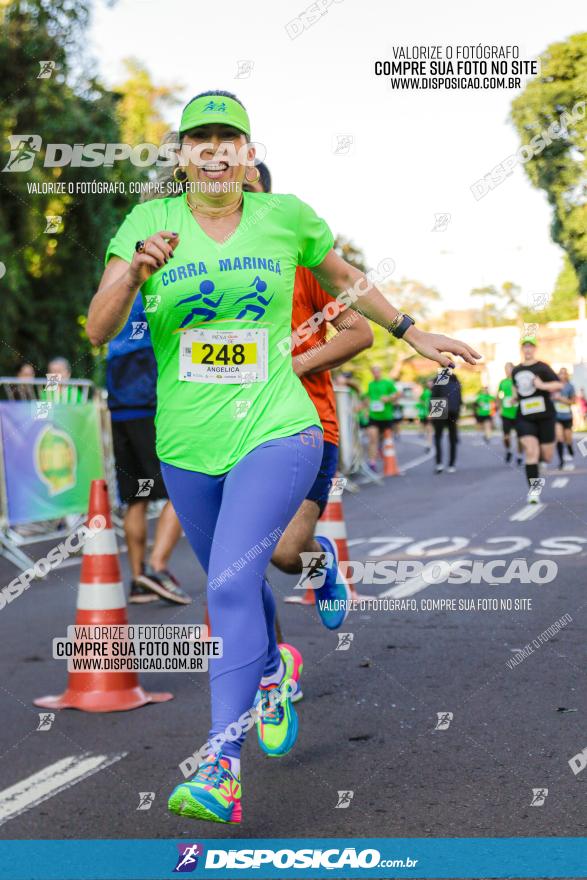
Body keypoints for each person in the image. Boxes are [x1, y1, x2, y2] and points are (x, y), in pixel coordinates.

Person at [87, 89, 479, 825]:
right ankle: (272, 668)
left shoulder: (284, 217)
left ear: (247, 153)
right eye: (198, 139)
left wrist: (411, 331)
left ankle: (220, 768)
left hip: (277, 427)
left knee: (227, 590)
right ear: (180, 157)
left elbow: (343, 279)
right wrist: (133, 273)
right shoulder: (149, 222)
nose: (213, 150)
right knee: (239, 584)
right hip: (186, 445)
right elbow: (98, 327)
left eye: (226, 138)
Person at [247, 163, 374, 631]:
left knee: (283, 554)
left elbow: (358, 332)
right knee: (238, 565)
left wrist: (291, 366)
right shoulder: (206, 272)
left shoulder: (304, 263)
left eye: (248, 190)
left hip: (306, 425)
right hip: (230, 429)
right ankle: (269, 673)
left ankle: (320, 563)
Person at [106, 296, 189, 605]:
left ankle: (139, 580)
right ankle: (156, 569)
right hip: (150, 404)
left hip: (119, 405)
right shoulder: (157, 286)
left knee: (136, 498)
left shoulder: (117, 291)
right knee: (181, 489)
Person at [511, 337, 562, 504]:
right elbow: (515, 389)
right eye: (525, 347)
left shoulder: (542, 367)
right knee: (531, 452)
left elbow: (559, 385)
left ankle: (541, 460)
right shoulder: (516, 370)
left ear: (534, 349)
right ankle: (534, 492)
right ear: (521, 349)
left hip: (545, 416)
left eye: (530, 347)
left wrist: (542, 386)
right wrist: (513, 398)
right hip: (525, 416)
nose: (527, 350)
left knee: (547, 456)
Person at [366, 365, 400, 469]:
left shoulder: (387, 383)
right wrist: (366, 409)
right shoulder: (370, 384)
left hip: (386, 417)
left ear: (380, 372)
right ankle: (372, 463)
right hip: (374, 416)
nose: (376, 373)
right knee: (372, 439)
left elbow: (398, 394)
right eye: (374, 372)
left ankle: (390, 463)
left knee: (385, 440)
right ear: (372, 373)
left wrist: (389, 397)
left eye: (377, 371)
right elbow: (368, 398)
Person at [430, 369, 461, 473]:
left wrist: (431, 411)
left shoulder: (440, 377)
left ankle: (439, 464)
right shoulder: (455, 379)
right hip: (453, 409)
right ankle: (451, 464)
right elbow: (459, 398)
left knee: (438, 437)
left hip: (440, 406)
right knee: (452, 438)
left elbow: (434, 394)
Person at [498, 362, 523, 465]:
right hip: (506, 413)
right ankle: (508, 450)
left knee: (520, 437)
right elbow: (499, 395)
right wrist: (499, 407)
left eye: (509, 368)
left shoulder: (518, 381)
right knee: (506, 437)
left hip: (517, 413)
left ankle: (520, 455)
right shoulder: (503, 382)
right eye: (505, 368)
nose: (507, 370)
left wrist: (516, 398)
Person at [553, 367, 575, 471]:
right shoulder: (553, 386)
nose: (562, 375)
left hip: (567, 416)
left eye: (564, 373)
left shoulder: (570, 387)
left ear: (567, 375)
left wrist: (562, 399)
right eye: (560, 373)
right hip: (557, 416)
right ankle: (561, 460)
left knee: (568, 438)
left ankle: (570, 448)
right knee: (559, 437)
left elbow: (573, 401)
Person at [418, 379, 433, 449]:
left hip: (433, 413)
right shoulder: (426, 392)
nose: (430, 385)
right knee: (428, 428)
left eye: (431, 383)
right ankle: (428, 443)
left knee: (429, 428)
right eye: (429, 383)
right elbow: (421, 399)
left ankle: (429, 443)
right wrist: (423, 405)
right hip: (425, 413)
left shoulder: (435, 392)